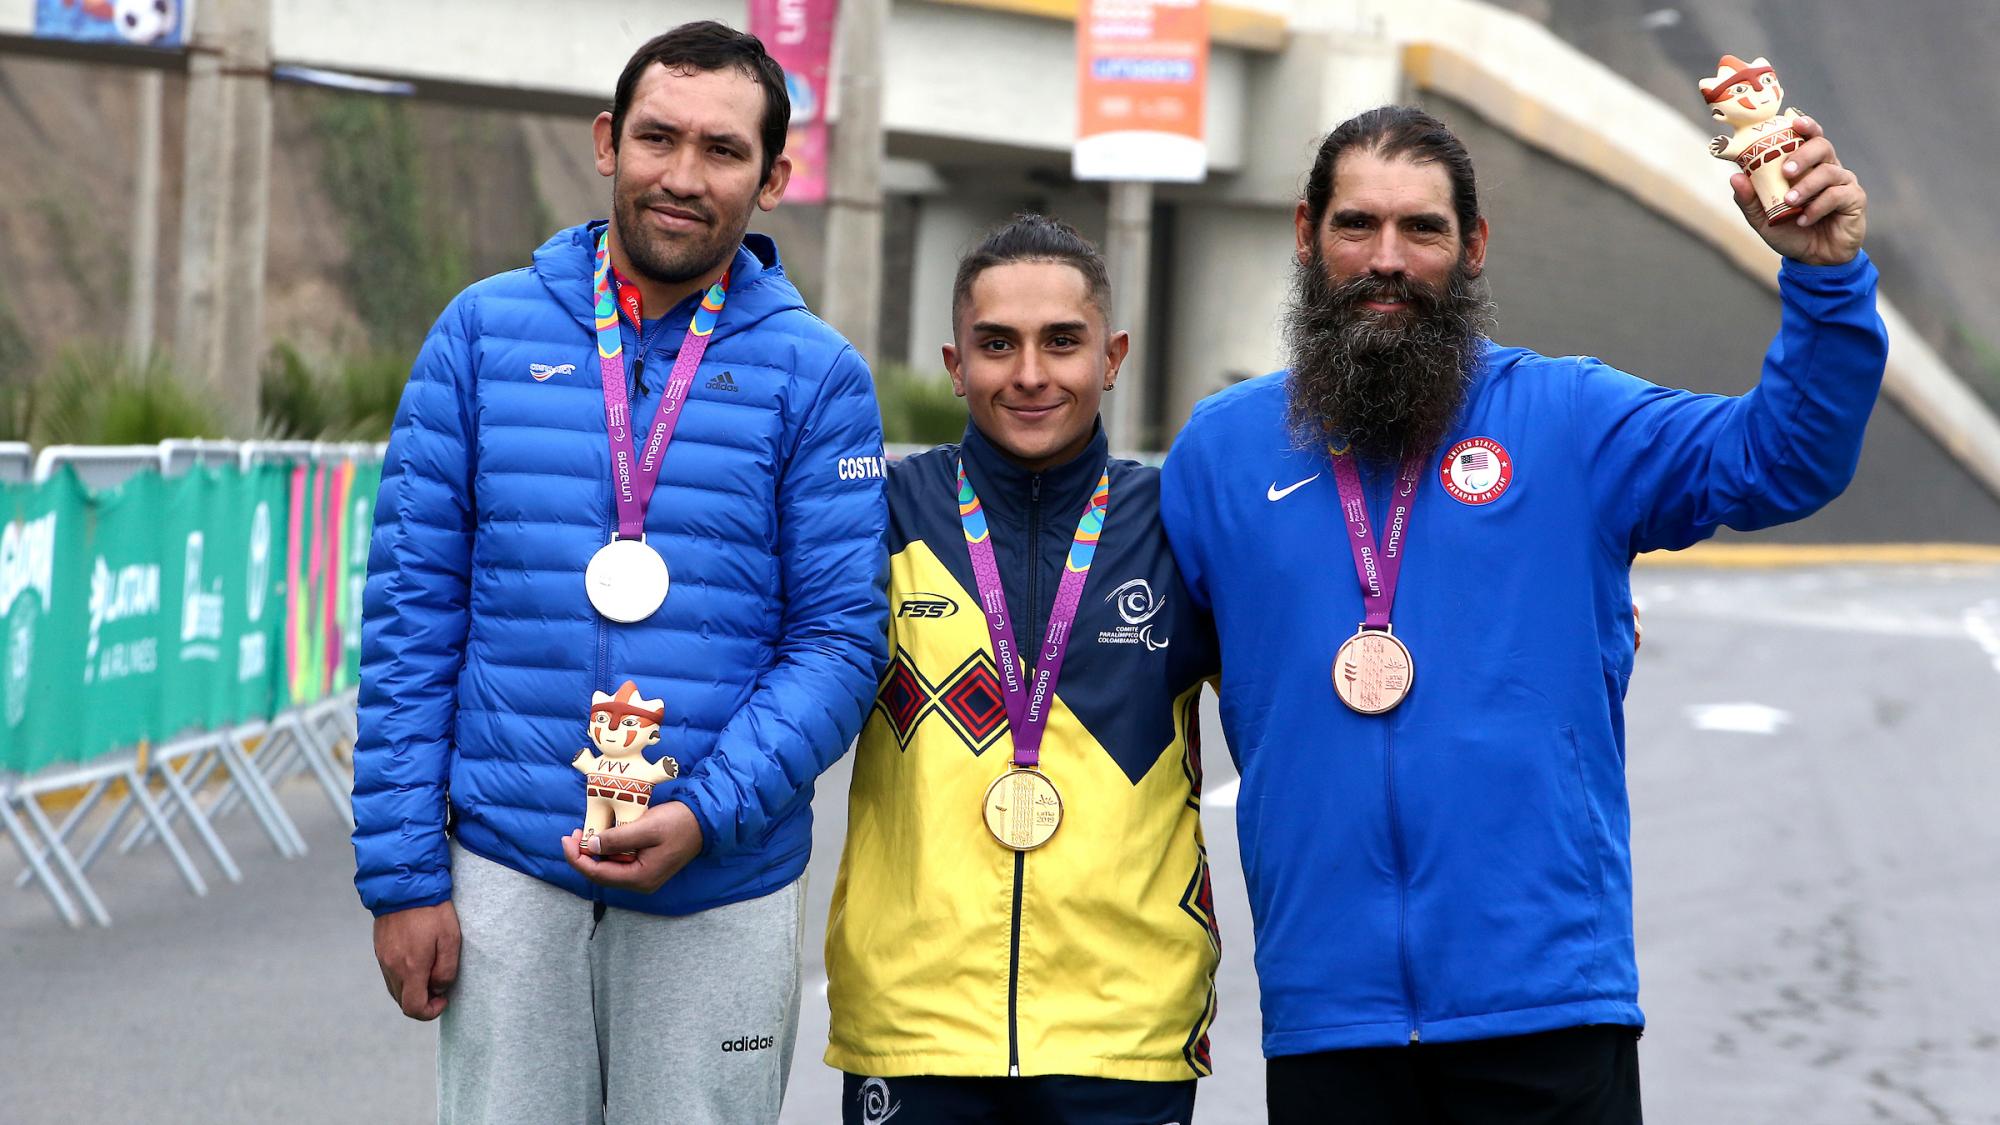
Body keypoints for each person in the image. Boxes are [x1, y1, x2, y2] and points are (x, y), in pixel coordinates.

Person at [1159, 105, 1883, 1122]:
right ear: (1304, 236)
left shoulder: (1570, 420)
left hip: (1547, 1010)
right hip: (1330, 1020)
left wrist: (1823, 279)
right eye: (1355, 226)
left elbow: (1782, 455)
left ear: (1472, 249)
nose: (1387, 259)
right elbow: (1131, 687)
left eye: (1421, 230)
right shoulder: (1218, 455)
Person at [351, 21, 887, 1124]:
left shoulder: (817, 377)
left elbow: (837, 642)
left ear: (774, 177)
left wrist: (707, 812)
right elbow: (412, 618)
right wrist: (403, 877)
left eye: (723, 151)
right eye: (657, 138)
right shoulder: (481, 335)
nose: (681, 177)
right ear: (607, 142)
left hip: (722, 876)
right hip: (506, 864)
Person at [824, 214, 1222, 1124]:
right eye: (997, 345)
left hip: (1124, 1025)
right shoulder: (887, 517)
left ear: (1112, 355)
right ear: (955, 364)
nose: (1031, 373)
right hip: (917, 1020)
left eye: (1063, 343)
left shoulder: (1178, 526)